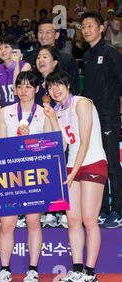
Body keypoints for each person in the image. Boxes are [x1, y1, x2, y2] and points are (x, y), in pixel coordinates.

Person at [43, 69, 107, 282]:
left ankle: (90, 273)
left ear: (68, 84)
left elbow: (85, 141)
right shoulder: (59, 110)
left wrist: (72, 172)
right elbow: (61, 144)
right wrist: (52, 119)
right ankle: (77, 268)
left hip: (92, 163)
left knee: (89, 219)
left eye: (58, 84)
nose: (55, 89)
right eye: (51, 87)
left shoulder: (82, 103)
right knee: (72, 220)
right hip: (71, 166)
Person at [0, 71, 52, 282]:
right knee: (7, 224)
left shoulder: (45, 113)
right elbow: (0, 145)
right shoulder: (5, 112)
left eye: (29, 86)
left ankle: (33, 269)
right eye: (20, 86)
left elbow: (49, 145)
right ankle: (5, 269)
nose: (24, 91)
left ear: (37, 89)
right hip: (9, 176)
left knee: (33, 222)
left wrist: (31, 140)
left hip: (34, 175)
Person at [81, 11, 122, 228]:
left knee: (113, 165)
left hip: (109, 118)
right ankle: (103, 209)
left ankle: (118, 209)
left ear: (100, 28)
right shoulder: (87, 57)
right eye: (83, 27)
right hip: (92, 120)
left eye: (90, 26)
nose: (86, 30)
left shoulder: (111, 53)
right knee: (99, 165)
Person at [25, 18, 79, 96]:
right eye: (40, 32)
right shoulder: (30, 60)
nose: (44, 36)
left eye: (48, 32)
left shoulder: (68, 60)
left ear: (57, 35)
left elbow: (74, 88)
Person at [0, 34, 31, 109]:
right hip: (5, 111)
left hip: (22, 110)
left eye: (6, 47)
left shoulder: (25, 66)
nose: (3, 50)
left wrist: (16, 64)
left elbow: (16, 91)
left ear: (14, 49)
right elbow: (0, 95)